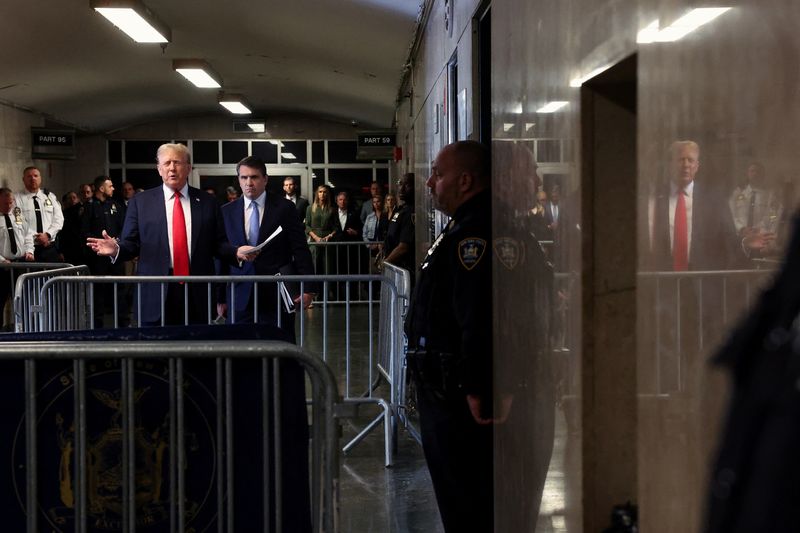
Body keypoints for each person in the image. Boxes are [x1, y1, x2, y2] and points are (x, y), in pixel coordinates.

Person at [218, 156, 314, 532]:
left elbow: (299, 246)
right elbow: (220, 252)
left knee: (281, 352)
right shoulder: (227, 210)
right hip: (240, 291)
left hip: (276, 291)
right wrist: (219, 295)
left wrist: (306, 286)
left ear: (265, 179)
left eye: (254, 178)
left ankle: (284, 413)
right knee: (240, 353)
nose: (248, 184)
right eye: (243, 178)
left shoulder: (283, 207)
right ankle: (243, 411)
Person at [405, 141, 494, 532]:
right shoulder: (459, 226)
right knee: (455, 496)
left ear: (465, 180)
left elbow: (476, 314)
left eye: (438, 174)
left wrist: (479, 385)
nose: (429, 182)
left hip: (457, 391)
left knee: (466, 499)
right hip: (443, 385)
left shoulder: (475, 232)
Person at [87, 143, 254, 326]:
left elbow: (218, 244)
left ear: (189, 168)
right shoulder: (141, 202)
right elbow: (131, 243)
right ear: (159, 169)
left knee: (197, 351)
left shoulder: (208, 202)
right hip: (155, 291)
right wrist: (116, 249)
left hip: (196, 291)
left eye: (177, 162)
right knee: (155, 351)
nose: (172, 168)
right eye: (166, 163)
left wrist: (235, 252)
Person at [81, 175, 127, 327]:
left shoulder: (116, 205)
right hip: (97, 256)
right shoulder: (89, 207)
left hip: (115, 255)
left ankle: (122, 322)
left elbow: (124, 228)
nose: (113, 188)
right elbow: (84, 232)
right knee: (98, 289)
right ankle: (97, 324)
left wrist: (117, 242)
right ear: (101, 188)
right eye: (110, 186)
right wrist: (97, 246)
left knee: (119, 288)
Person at [15, 166, 63, 262]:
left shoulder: (50, 196)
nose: (33, 178)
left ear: (40, 178)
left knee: (52, 276)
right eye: (29, 176)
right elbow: (18, 222)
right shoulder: (17, 199)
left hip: (49, 247)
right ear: (23, 179)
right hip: (29, 250)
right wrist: (36, 237)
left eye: (35, 176)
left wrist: (48, 235)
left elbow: (59, 219)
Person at [0, 188, 34, 324]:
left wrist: (29, 251)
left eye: (10, 203)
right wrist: (2, 260)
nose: (8, 206)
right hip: (2, 267)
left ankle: (23, 329)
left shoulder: (17, 216)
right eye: (4, 204)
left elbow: (28, 235)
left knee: (22, 300)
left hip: (20, 264)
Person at [382, 173, 415, 276]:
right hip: (394, 264)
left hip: (403, 266)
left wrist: (386, 262)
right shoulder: (401, 209)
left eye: (407, 185)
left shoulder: (411, 212)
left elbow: (403, 247)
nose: (401, 189)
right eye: (400, 184)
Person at [304, 184, 335, 275]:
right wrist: (316, 238)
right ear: (317, 194)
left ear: (328, 194)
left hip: (327, 242)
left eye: (325, 192)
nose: (322, 194)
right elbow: (307, 226)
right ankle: (315, 289)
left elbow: (336, 227)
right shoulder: (310, 208)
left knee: (328, 269)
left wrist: (329, 236)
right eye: (320, 192)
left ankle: (328, 289)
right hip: (314, 241)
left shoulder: (332, 209)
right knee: (315, 267)